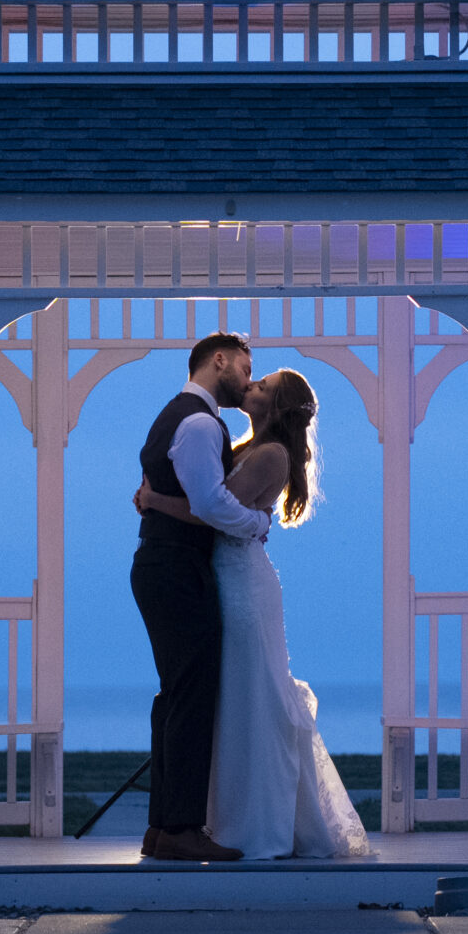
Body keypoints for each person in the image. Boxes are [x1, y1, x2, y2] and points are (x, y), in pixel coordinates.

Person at [134, 368, 370, 860]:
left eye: (261, 385)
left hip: (242, 587)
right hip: (225, 578)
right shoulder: (246, 445)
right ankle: (215, 818)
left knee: (251, 698)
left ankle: (256, 825)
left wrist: (155, 500)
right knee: (232, 698)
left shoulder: (270, 455)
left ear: (277, 405)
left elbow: (211, 512)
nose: (250, 387)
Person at [127, 333, 269, 863]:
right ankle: (182, 826)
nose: (248, 379)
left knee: (175, 695)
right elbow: (211, 504)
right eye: (245, 367)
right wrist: (257, 523)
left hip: (163, 565)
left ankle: (162, 827)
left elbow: (178, 494)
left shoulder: (175, 416)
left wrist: (156, 500)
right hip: (177, 567)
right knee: (190, 696)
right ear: (220, 361)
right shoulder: (201, 422)